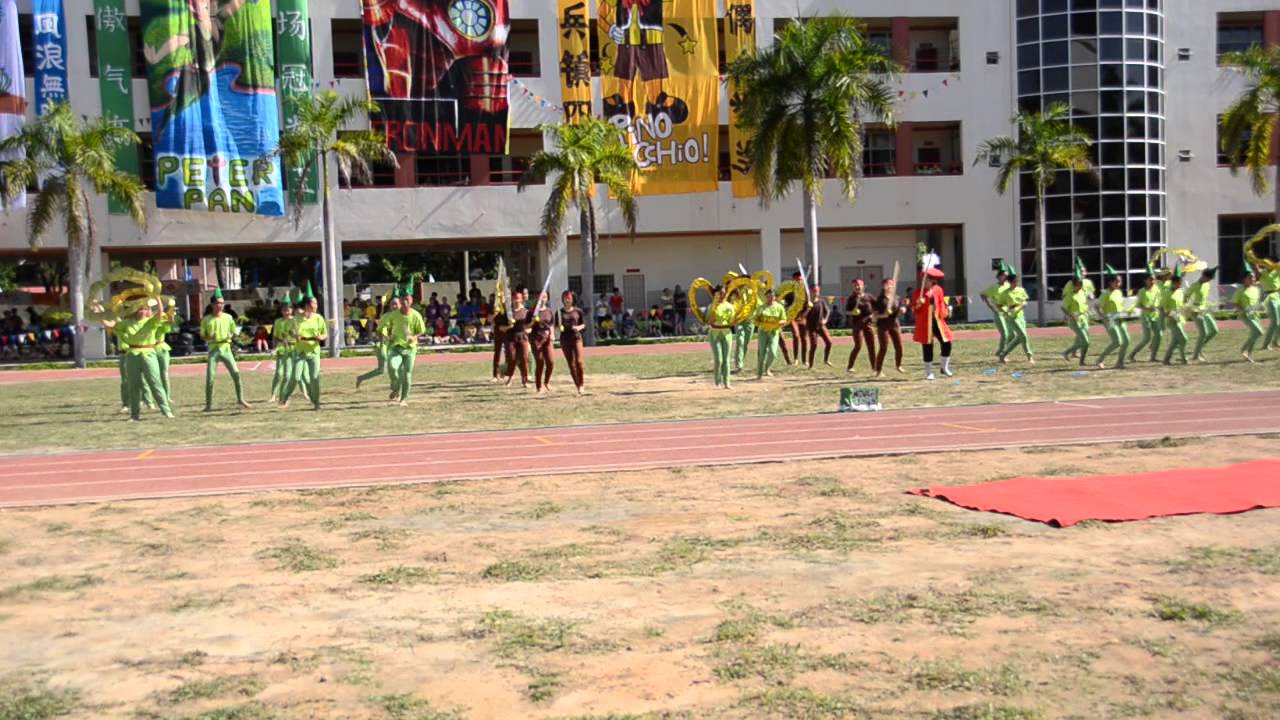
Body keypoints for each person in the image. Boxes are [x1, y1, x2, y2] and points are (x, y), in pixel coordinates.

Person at [115, 300, 174, 422]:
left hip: (149, 354)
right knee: (134, 385)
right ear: (135, 310)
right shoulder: (127, 323)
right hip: (132, 355)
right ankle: (134, 415)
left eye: (145, 309)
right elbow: (113, 326)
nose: (143, 311)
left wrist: (157, 299)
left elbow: (160, 314)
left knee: (155, 382)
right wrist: (98, 314)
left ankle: (166, 411)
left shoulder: (150, 321)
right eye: (140, 309)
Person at [200, 287, 250, 411]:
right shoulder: (206, 319)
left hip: (226, 348)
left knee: (236, 374)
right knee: (210, 377)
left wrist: (231, 335)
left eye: (222, 303)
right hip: (213, 350)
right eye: (218, 303)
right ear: (212, 304)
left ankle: (240, 399)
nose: (220, 305)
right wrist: (208, 336)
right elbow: (202, 335)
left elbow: (234, 331)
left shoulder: (228, 317)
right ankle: (208, 404)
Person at [281, 284, 326, 409]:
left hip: (314, 352)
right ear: (307, 305)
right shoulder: (296, 319)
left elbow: (324, 334)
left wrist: (320, 337)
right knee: (295, 377)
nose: (316, 306)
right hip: (300, 352)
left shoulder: (319, 318)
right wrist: (295, 335)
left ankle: (316, 402)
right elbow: (288, 331)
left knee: (314, 378)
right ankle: (285, 397)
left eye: (316, 303)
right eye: (314, 303)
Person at [385, 281, 426, 405]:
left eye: (407, 300)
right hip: (396, 347)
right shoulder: (393, 315)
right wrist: (387, 335)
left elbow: (421, 330)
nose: (404, 302)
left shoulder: (416, 315)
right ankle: (396, 387)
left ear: (411, 300)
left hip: (409, 349)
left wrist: (414, 337)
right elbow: (386, 328)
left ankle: (403, 399)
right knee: (392, 366)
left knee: (407, 374)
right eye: (402, 300)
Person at [913, 266, 954, 380]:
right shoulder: (918, 292)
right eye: (924, 279)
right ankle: (929, 372)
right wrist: (918, 303)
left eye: (928, 279)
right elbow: (914, 310)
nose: (925, 281)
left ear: (932, 281)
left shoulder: (938, 289)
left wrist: (946, 312)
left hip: (938, 320)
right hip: (925, 323)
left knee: (947, 342)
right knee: (927, 346)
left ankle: (944, 367)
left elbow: (941, 303)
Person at [356, 292, 399, 395]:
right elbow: (382, 331)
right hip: (382, 344)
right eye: (392, 304)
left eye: (396, 304)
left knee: (393, 368)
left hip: (394, 345)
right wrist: (386, 336)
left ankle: (395, 389)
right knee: (383, 369)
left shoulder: (401, 317)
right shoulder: (385, 316)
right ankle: (361, 378)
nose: (394, 306)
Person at [1095, 265, 1129, 369]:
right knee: (1117, 342)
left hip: (1120, 319)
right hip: (1111, 321)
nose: (1119, 284)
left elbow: (1120, 306)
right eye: (1117, 281)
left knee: (1126, 341)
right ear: (1110, 282)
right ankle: (1099, 360)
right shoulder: (1105, 294)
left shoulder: (1118, 292)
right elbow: (1097, 307)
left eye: (1120, 281)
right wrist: (1104, 317)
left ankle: (1119, 362)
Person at [1127, 266, 1163, 363]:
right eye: (1150, 279)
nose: (1152, 281)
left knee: (1159, 335)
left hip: (1155, 315)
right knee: (1147, 338)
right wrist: (1147, 308)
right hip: (1146, 316)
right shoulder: (1142, 291)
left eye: (1153, 279)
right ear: (1145, 280)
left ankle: (1153, 357)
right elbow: (1138, 305)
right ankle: (1131, 355)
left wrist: (1157, 306)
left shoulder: (1156, 289)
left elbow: (1159, 300)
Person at [996, 271, 1033, 364]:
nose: (1016, 283)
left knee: (1020, 338)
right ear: (1009, 282)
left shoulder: (1021, 290)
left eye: (1017, 281)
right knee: (1024, 336)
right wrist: (1005, 311)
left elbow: (1025, 301)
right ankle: (1029, 356)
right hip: (1011, 317)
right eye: (1014, 281)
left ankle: (1003, 354)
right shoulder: (1005, 293)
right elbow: (999, 305)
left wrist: (1024, 304)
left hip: (1021, 316)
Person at [557, 290, 588, 396]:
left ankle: (582, 384)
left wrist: (578, 327)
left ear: (573, 298)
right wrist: (558, 327)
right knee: (571, 363)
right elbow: (555, 325)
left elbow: (584, 324)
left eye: (569, 297)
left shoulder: (578, 311)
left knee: (579, 361)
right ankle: (578, 386)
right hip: (565, 339)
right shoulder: (560, 312)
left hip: (576, 337)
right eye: (565, 297)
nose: (567, 299)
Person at [872, 278, 905, 376]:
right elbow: (874, 316)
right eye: (885, 285)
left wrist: (902, 310)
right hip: (883, 326)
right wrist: (884, 315)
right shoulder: (879, 299)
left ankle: (898, 365)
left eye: (890, 285)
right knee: (883, 347)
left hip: (894, 324)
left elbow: (899, 309)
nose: (888, 287)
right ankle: (878, 370)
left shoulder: (896, 298)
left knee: (899, 346)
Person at [1060, 264, 1091, 366]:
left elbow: (1084, 304)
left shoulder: (1082, 292)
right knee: (1085, 341)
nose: (1079, 286)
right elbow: (1063, 307)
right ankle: (1072, 355)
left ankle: (1076, 357)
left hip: (1083, 318)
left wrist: (1087, 312)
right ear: (1074, 285)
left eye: (1080, 284)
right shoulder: (1070, 295)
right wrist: (1071, 315)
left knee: (1085, 340)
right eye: (1077, 284)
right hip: (1074, 321)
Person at [1187, 266, 1219, 362]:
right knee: (1203, 333)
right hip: (1196, 311)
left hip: (1205, 310)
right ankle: (1195, 356)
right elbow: (1185, 298)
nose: (1209, 280)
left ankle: (1199, 348)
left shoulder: (1207, 284)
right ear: (1204, 276)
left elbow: (1204, 298)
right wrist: (1191, 308)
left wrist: (1211, 305)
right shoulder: (1194, 286)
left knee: (1214, 331)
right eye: (1209, 278)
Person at [845, 279, 876, 374]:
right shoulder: (851, 299)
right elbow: (847, 311)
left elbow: (877, 307)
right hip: (857, 325)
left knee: (871, 347)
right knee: (858, 346)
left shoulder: (869, 297)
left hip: (868, 325)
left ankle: (874, 368)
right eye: (855, 285)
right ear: (853, 287)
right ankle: (850, 366)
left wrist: (873, 315)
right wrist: (852, 312)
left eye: (859, 285)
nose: (857, 287)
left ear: (863, 286)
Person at [1235, 262, 1264, 362]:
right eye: (1250, 277)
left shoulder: (1256, 289)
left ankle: (1248, 355)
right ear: (1244, 279)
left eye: (1254, 277)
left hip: (1255, 314)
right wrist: (1241, 309)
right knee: (1259, 332)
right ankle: (1243, 349)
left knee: (1254, 334)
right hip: (1246, 315)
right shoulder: (1240, 290)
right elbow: (1236, 303)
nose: (1253, 279)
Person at [707, 285, 735, 388]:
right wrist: (713, 315)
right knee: (719, 359)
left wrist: (734, 321)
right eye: (719, 293)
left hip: (726, 334)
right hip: (715, 334)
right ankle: (717, 381)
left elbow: (732, 322)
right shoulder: (711, 306)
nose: (722, 295)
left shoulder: (730, 306)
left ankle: (727, 382)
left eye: (723, 293)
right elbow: (708, 321)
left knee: (726, 359)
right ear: (715, 294)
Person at [982, 262, 1011, 358]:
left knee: (1012, 334)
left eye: (1006, 276)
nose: (1005, 277)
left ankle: (1000, 351)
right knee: (1005, 334)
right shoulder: (994, 287)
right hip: (998, 313)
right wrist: (990, 306)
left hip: (1008, 312)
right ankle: (1002, 353)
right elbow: (983, 294)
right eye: (1003, 276)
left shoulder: (1008, 285)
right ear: (999, 277)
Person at [755, 289, 786, 379]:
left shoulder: (779, 307)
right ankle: (759, 373)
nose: (770, 298)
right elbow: (756, 320)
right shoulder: (761, 307)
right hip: (763, 332)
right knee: (762, 352)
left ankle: (767, 368)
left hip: (774, 332)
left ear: (775, 297)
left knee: (773, 352)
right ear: (766, 297)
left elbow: (784, 319)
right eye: (768, 296)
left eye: (772, 296)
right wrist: (762, 324)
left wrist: (779, 323)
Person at [270, 295, 296, 403]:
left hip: (292, 348)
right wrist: (274, 347)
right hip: (281, 348)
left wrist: (293, 335)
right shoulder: (278, 322)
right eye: (284, 310)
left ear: (292, 310)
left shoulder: (295, 321)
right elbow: (275, 336)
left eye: (288, 310)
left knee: (288, 374)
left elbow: (297, 335)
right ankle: (273, 394)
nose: (287, 312)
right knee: (279, 372)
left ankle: (284, 393)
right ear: (281, 311)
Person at [529, 292, 556, 394]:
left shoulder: (549, 311)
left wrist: (552, 334)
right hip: (536, 339)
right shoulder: (533, 312)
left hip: (547, 339)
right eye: (540, 297)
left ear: (547, 298)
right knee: (540, 362)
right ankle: (539, 386)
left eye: (544, 297)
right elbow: (527, 327)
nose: (543, 299)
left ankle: (547, 382)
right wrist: (532, 322)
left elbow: (552, 324)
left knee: (551, 362)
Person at [505, 290, 533, 387]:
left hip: (523, 337)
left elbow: (530, 325)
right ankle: (510, 377)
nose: (516, 301)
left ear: (522, 300)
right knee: (512, 358)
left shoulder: (526, 312)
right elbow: (501, 327)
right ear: (512, 300)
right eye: (515, 299)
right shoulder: (509, 312)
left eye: (518, 299)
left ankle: (524, 380)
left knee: (524, 358)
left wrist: (529, 330)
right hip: (511, 338)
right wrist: (508, 326)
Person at [1161, 267, 1189, 365]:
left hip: (1179, 318)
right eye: (1178, 283)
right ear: (1173, 282)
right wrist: (1169, 314)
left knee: (1176, 340)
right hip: (1171, 320)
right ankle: (1183, 358)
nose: (1180, 285)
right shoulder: (1167, 293)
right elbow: (1163, 308)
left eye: (1180, 282)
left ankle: (1166, 359)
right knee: (1184, 338)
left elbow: (1182, 304)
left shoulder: (1180, 291)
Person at [805, 285, 833, 368]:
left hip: (821, 326)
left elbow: (827, 311)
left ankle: (826, 360)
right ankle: (811, 365)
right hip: (811, 327)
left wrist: (825, 319)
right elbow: (802, 315)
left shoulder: (821, 301)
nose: (815, 293)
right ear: (810, 291)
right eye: (814, 291)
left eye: (817, 291)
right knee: (814, 345)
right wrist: (807, 309)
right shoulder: (807, 303)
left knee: (829, 343)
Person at [1262, 263, 1280, 350]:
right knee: (1275, 322)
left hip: (1278, 297)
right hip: (1270, 298)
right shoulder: (1263, 273)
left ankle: (1275, 342)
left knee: (1279, 323)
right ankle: (1266, 344)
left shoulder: (1277, 271)